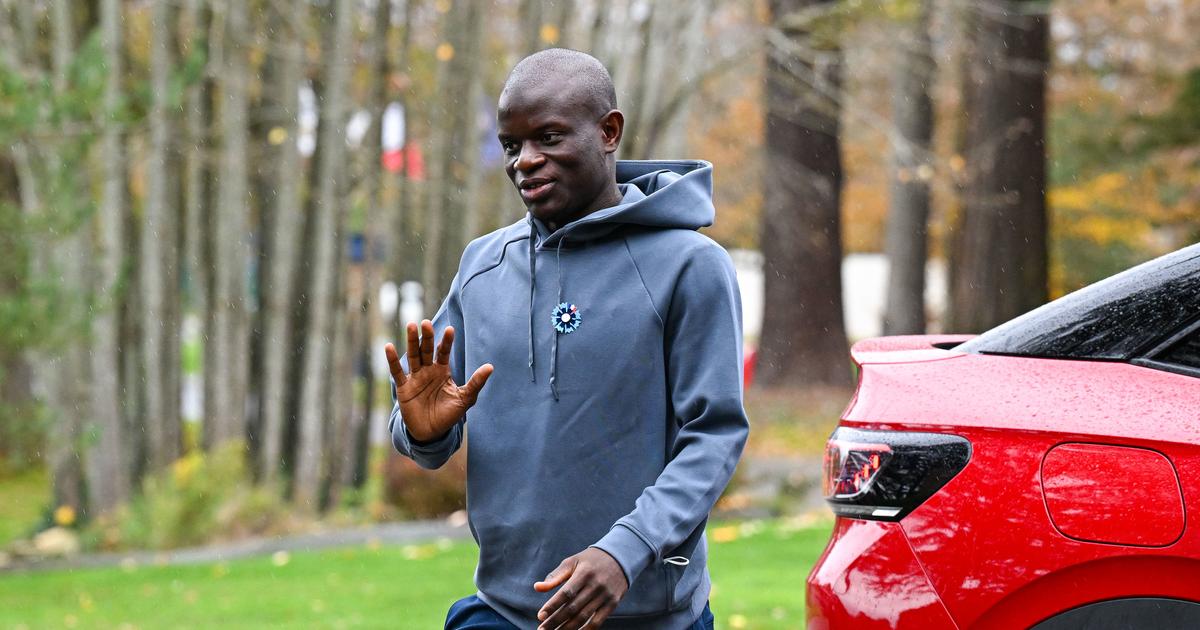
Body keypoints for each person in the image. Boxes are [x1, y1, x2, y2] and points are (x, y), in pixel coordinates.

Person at [385, 48, 748, 630]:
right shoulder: (483, 267)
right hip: (507, 611)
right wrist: (425, 432)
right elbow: (425, 428)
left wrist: (625, 551)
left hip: (649, 617)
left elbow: (713, 435)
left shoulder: (690, 266)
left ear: (609, 132)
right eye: (511, 145)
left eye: (549, 137)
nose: (525, 161)